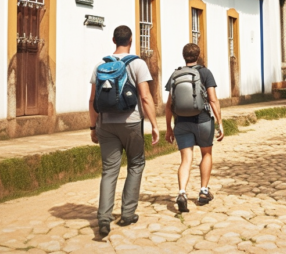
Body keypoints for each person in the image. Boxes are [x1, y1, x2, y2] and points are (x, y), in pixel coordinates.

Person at [89, 25, 160, 237]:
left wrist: (93, 127)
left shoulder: (100, 65)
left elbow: (92, 100)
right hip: (131, 122)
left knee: (109, 170)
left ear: (113, 40)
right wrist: (154, 125)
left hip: (106, 125)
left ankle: (103, 218)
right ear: (131, 40)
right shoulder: (138, 63)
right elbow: (145, 97)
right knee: (136, 163)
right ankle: (127, 213)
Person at [165, 43, 224, 213]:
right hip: (203, 120)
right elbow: (213, 99)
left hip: (182, 123)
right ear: (198, 55)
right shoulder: (205, 73)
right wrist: (219, 121)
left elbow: (168, 106)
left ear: (184, 56)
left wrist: (169, 128)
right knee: (206, 154)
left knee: (185, 160)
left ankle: (182, 192)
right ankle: (203, 191)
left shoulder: (176, 74)